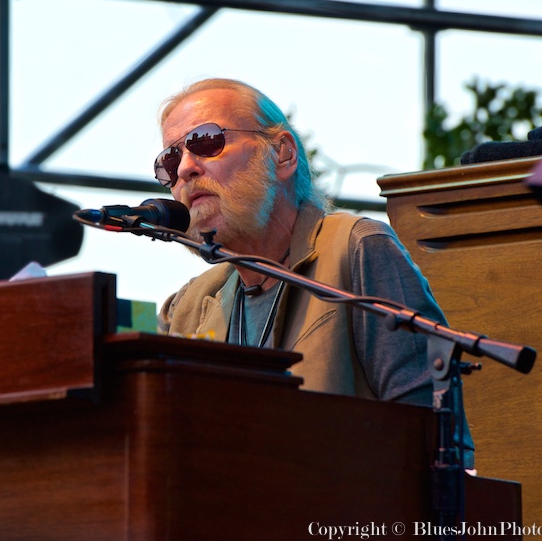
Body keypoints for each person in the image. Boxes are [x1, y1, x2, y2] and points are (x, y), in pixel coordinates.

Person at [154, 77, 474, 466]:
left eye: (206, 141)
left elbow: (430, 442)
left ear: (283, 155)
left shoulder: (355, 247)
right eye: (170, 160)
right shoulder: (188, 307)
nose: (185, 168)